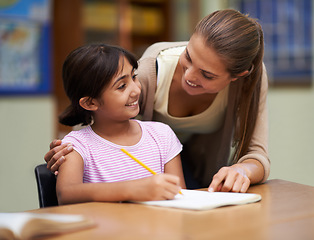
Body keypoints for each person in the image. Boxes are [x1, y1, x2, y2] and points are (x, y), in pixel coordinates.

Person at [45, 9, 270, 193]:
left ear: (238, 76)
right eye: (188, 57)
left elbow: (257, 153)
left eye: (207, 75)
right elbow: (97, 116)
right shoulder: (149, 70)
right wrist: (69, 152)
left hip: (201, 180)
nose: (190, 76)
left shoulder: (250, 83)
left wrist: (243, 170)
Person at [55, 43, 185, 205]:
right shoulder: (77, 145)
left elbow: (180, 197)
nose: (137, 90)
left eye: (134, 76)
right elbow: (66, 194)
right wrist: (133, 189)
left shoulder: (161, 135)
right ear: (90, 103)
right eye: (122, 86)